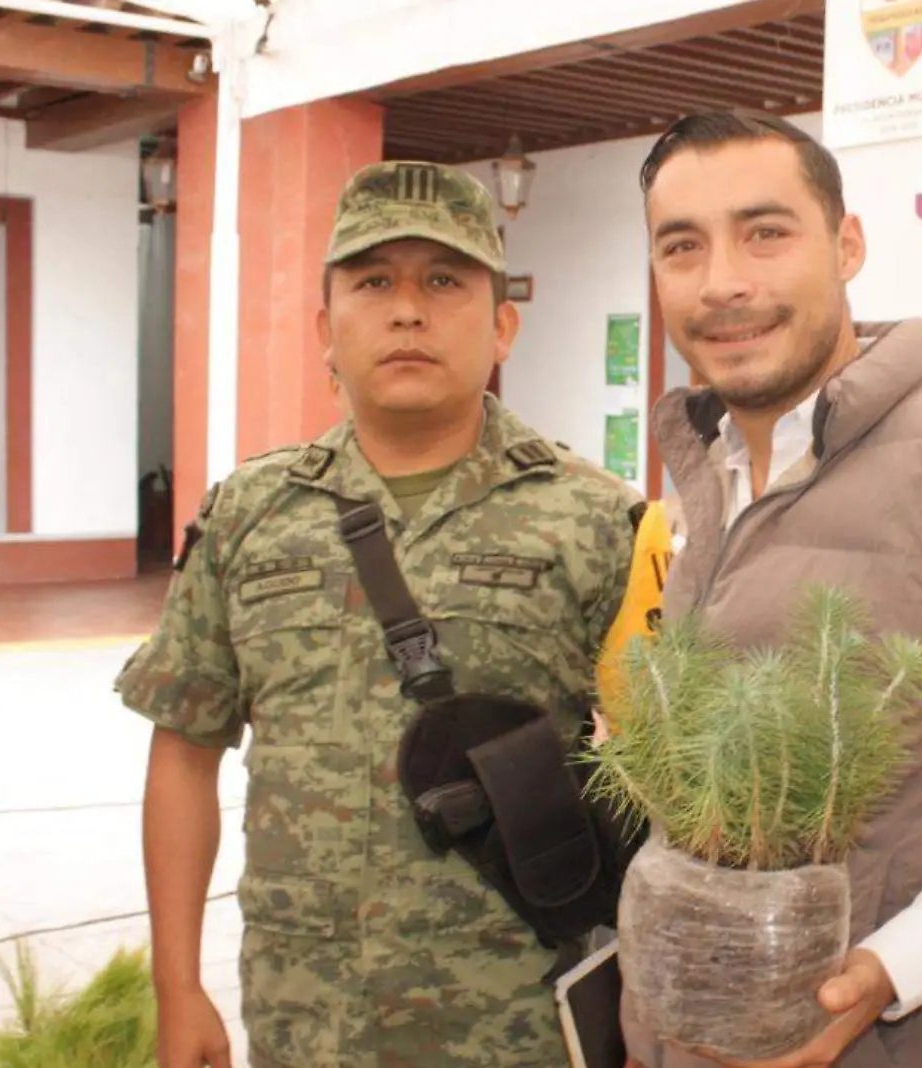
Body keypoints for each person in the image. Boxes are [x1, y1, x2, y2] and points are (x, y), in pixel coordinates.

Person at [117, 161, 642, 1068]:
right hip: (303, 1018)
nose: (408, 310)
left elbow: (665, 787)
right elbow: (184, 752)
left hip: (521, 1025)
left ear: (502, 325)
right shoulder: (250, 512)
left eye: (445, 280)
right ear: (325, 330)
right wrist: (177, 987)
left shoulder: (598, 520)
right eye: (374, 281)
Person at [618, 109, 922, 1068]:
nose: (724, 283)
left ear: (847, 245)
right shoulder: (710, 478)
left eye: (766, 233)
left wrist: (886, 970)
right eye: (683, 246)